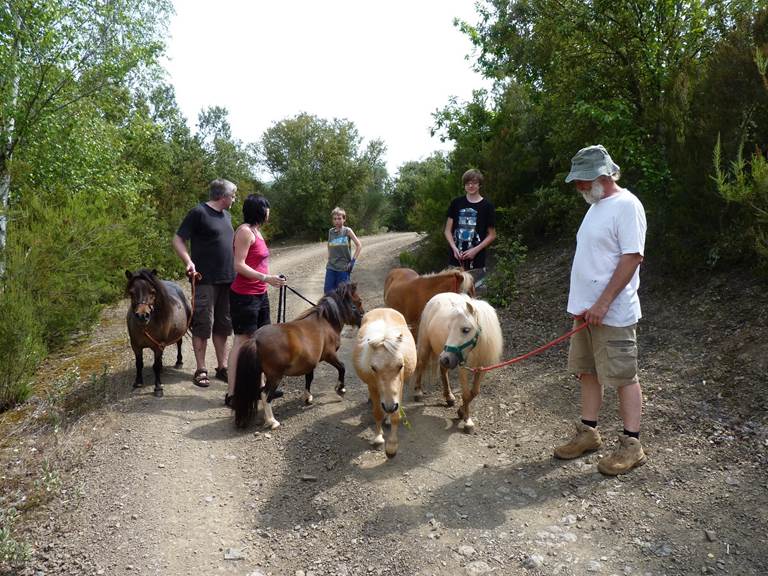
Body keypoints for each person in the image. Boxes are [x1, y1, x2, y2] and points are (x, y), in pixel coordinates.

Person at [554, 144, 648, 476]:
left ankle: (631, 445)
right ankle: (589, 433)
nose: (577, 186)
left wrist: (603, 302)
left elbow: (632, 257)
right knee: (588, 372)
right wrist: (581, 307)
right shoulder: (595, 206)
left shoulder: (627, 205)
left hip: (613, 312)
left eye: (581, 179)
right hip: (586, 312)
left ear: (602, 175)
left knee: (623, 376)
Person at [172, 178, 236, 389]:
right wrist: (188, 261)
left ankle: (223, 367)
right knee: (202, 325)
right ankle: (200, 369)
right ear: (222, 196)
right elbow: (178, 239)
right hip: (204, 280)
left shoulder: (227, 215)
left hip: (228, 280)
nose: (234, 199)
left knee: (224, 326)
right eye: (232, 195)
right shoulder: (198, 213)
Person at [225, 194, 286, 407]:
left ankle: (261, 387)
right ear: (259, 210)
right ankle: (231, 392)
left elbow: (258, 263)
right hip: (244, 296)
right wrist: (265, 278)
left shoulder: (256, 232)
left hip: (260, 294)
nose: (269, 211)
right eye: (266, 207)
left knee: (262, 340)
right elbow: (238, 265)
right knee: (242, 342)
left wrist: (271, 279)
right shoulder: (244, 232)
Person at [445, 168, 497, 277]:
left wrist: (475, 250)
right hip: (455, 260)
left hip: (477, 261)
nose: (471, 186)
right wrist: (454, 248)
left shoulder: (487, 206)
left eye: (474, 183)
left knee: (476, 292)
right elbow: (447, 231)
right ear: (464, 185)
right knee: (454, 292)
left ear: (480, 185)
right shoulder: (456, 203)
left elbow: (492, 235)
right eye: (468, 183)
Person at [324, 206, 362, 294]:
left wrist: (353, 261)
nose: (337, 221)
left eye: (339, 218)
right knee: (328, 293)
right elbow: (329, 244)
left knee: (343, 295)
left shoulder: (347, 231)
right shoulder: (331, 232)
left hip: (344, 268)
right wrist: (330, 257)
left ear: (344, 219)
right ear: (332, 220)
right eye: (335, 219)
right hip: (331, 267)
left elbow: (359, 245)